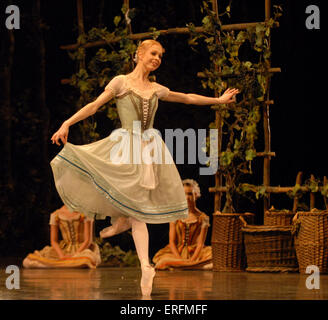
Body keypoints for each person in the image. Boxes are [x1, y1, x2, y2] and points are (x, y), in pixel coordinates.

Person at [50, 39, 238, 295]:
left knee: (137, 207)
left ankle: (142, 260)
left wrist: (218, 100)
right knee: (116, 184)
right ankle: (122, 222)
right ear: (139, 54)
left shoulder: (156, 88)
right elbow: (94, 106)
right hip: (126, 143)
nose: (157, 58)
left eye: (160, 55)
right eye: (153, 53)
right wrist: (66, 123)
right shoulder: (121, 82)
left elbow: (187, 98)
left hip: (149, 147)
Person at [152, 179, 212, 270]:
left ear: (196, 195)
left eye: (190, 194)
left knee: (213, 255)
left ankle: (185, 265)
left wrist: (192, 259)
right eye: (184, 194)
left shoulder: (204, 218)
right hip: (177, 252)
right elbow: (172, 242)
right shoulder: (175, 216)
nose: (187, 197)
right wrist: (179, 259)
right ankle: (191, 266)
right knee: (163, 260)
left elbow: (200, 244)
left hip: (196, 252)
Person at [23, 205, 101, 268]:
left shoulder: (85, 213)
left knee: (86, 260)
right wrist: (61, 255)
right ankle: (63, 263)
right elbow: (53, 241)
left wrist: (75, 255)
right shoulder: (56, 214)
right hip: (64, 249)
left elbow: (88, 240)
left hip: (82, 249)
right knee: (28, 261)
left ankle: (57, 264)